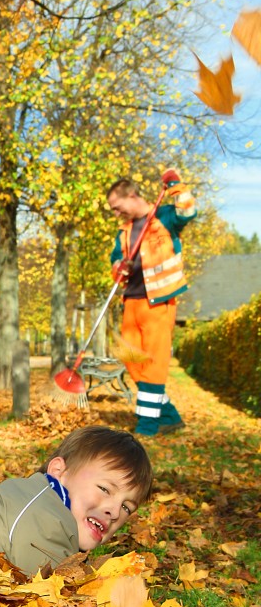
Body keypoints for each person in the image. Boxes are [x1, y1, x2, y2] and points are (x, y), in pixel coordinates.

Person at [0, 426, 152, 575]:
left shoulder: (45, 505)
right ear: (58, 471)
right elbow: (44, 594)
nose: (114, 511)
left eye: (126, 506)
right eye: (104, 488)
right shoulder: (46, 516)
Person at [106, 171, 197, 436]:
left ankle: (146, 426)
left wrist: (175, 185)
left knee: (154, 364)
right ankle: (169, 415)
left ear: (131, 196)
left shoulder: (165, 217)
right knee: (132, 360)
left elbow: (188, 211)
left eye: (117, 207)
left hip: (159, 301)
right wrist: (118, 267)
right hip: (131, 303)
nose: (116, 213)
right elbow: (114, 259)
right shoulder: (122, 232)